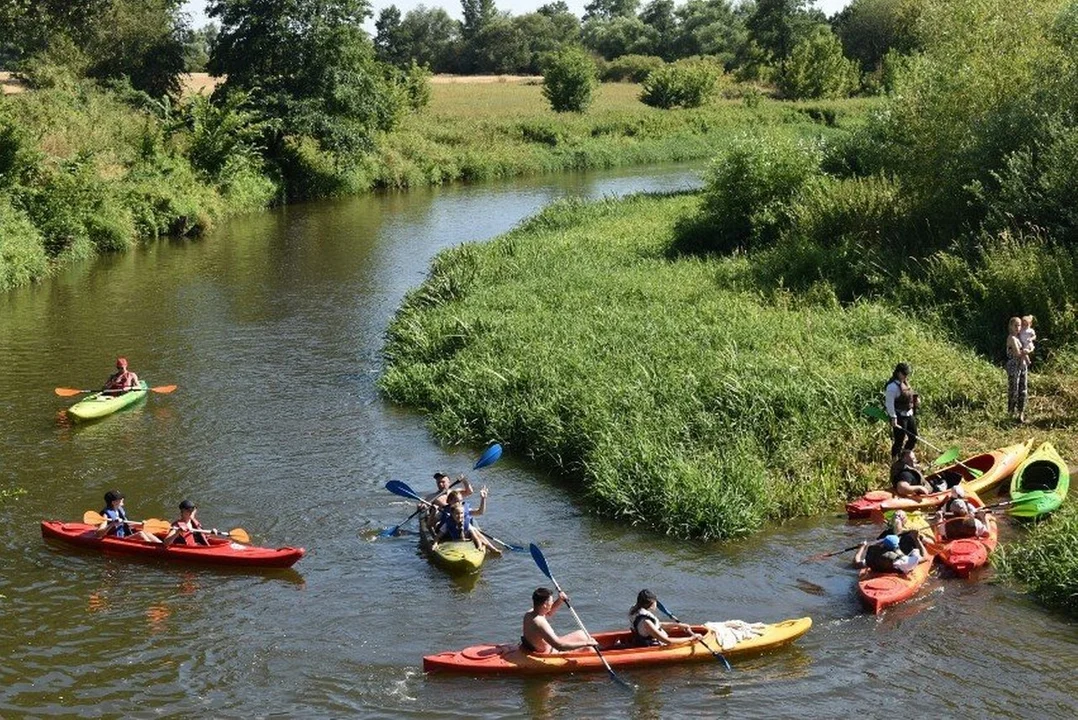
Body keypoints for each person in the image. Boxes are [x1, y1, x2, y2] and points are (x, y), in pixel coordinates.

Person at [520, 587, 599, 654]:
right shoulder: (540, 623)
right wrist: (586, 643)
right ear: (544, 605)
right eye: (551, 601)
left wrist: (560, 600)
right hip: (550, 653)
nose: (552, 602)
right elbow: (559, 646)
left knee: (581, 634)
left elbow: (548, 613)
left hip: (538, 647)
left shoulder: (530, 613)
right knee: (589, 649)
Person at [430, 492, 502, 556]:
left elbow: (480, 512)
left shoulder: (463, 510)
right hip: (448, 534)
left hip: (464, 532)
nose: (459, 503)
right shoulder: (443, 513)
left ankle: (491, 548)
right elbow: (430, 525)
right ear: (449, 501)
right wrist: (433, 513)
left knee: (476, 532)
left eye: (461, 501)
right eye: (456, 501)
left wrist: (483, 499)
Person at [627, 589, 703, 648]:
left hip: (641, 639)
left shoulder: (636, 610)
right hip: (652, 646)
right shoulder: (646, 621)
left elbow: (658, 625)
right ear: (651, 603)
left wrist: (679, 625)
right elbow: (667, 641)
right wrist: (691, 638)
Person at [94, 490, 162, 543]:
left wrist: (142, 525)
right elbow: (98, 534)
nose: (122, 499)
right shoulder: (105, 515)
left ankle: (161, 545)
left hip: (124, 535)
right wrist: (112, 523)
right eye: (120, 498)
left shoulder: (119, 509)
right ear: (114, 502)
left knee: (145, 531)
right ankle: (154, 550)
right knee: (140, 534)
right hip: (117, 539)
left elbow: (126, 525)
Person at [885, 362, 920, 460]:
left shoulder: (905, 382)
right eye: (904, 374)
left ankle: (905, 456)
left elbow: (910, 394)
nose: (906, 376)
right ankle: (895, 460)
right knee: (899, 440)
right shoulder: (891, 387)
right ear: (898, 373)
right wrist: (893, 417)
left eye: (907, 374)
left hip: (909, 414)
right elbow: (889, 403)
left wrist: (916, 400)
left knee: (913, 437)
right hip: (899, 416)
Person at [855, 533, 928, 575]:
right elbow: (925, 558)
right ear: (897, 546)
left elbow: (857, 563)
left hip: (877, 571)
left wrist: (861, 548)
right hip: (894, 574)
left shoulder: (873, 554)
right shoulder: (902, 561)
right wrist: (919, 541)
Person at [1005, 317, 1030, 423]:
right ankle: (1010, 414)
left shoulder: (1019, 338)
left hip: (1022, 366)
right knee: (1014, 390)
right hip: (1014, 367)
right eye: (1015, 325)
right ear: (1010, 326)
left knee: (1023, 390)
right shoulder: (1011, 338)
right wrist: (1027, 351)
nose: (1018, 327)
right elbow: (1017, 353)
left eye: (1019, 325)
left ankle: (1020, 415)